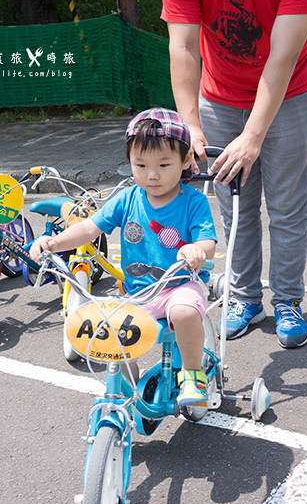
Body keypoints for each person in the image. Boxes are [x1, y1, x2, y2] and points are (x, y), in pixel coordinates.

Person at [160, 0, 307, 348]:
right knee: (234, 207)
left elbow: (282, 56)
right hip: (218, 95)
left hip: (290, 93)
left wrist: (254, 136)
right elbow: (184, 47)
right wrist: (190, 126)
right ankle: (244, 297)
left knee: (286, 204)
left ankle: (288, 300)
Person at [30, 107, 217, 414]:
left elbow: (207, 242)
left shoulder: (193, 201)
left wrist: (197, 249)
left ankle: (193, 375)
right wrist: (53, 242)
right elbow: (89, 228)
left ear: (185, 161)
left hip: (179, 285)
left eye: (164, 164)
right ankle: (126, 391)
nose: (152, 174)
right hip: (137, 292)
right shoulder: (128, 198)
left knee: (184, 313)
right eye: (140, 164)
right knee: (111, 333)